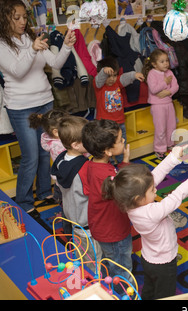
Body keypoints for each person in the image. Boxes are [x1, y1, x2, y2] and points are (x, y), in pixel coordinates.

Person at [102, 148, 188, 300]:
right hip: (164, 263)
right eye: (152, 190)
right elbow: (177, 195)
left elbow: (153, 177)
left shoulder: (130, 203)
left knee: (150, 287)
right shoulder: (151, 213)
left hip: (148, 257)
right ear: (138, 197)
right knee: (165, 295)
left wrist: (173, 157)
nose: (156, 190)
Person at [0, 0, 76, 217]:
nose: (23, 21)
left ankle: (44, 192)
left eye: (25, 17)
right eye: (17, 18)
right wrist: (32, 50)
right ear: (5, 18)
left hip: (45, 101)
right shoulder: (2, 44)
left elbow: (56, 63)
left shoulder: (30, 38)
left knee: (46, 152)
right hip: (21, 107)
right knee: (30, 156)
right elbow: (17, 71)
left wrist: (67, 46)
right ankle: (24, 201)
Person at [81, 119, 132, 291]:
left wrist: (123, 162)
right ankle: (123, 293)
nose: (123, 141)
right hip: (114, 232)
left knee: (111, 261)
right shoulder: (104, 176)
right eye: (120, 140)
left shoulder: (93, 164)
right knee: (122, 268)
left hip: (103, 227)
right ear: (108, 151)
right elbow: (123, 192)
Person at [50, 115, 102, 272]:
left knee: (82, 254)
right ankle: (98, 285)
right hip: (88, 223)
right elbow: (96, 193)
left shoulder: (60, 159)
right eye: (87, 140)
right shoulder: (84, 168)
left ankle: (85, 275)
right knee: (95, 258)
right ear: (75, 144)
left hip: (73, 218)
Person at [94, 56, 144, 164]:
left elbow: (125, 77)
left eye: (114, 75)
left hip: (120, 123)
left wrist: (134, 75)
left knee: (121, 144)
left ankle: (123, 163)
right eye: (109, 76)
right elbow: (99, 80)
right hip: (105, 124)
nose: (112, 79)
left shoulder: (117, 83)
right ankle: (109, 164)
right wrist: (103, 72)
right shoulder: (99, 86)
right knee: (106, 146)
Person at [143, 49, 179, 160]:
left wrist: (168, 92)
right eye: (162, 61)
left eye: (167, 61)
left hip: (168, 103)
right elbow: (153, 89)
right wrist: (165, 83)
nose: (166, 63)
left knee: (171, 126)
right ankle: (159, 149)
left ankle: (170, 143)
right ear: (154, 64)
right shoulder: (152, 74)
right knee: (160, 128)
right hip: (158, 106)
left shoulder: (170, 72)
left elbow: (176, 86)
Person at [28, 109, 69, 205]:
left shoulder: (50, 140)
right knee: (68, 204)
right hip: (66, 181)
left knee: (63, 202)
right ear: (56, 132)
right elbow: (77, 156)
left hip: (59, 181)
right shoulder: (60, 145)